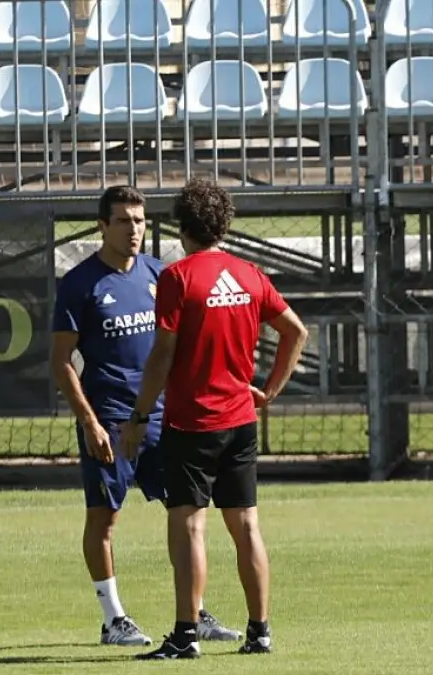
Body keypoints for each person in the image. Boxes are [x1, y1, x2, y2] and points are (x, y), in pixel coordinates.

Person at [120, 177, 308, 660]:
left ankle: (185, 635)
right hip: (240, 422)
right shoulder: (248, 275)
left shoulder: (178, 278)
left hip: (192, 423)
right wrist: (269, 390)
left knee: (189, 527)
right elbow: (296, 332)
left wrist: (139, 416)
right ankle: (260, 632)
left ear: (182, 227)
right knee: (246, 527)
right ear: (223, 225)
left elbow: (162, 355)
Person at [50, 185, 243, 647]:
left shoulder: (161, 274)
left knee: (186, 513)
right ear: (102, 226)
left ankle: (194, 612)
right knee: (104, 518)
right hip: (111, 421)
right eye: (122, 220)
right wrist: (90, 423)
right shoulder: (79, 284)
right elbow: (60, 362)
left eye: (139, 220)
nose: (133, 229)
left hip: (163, 418)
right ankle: (113, 619)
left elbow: (181, 348)